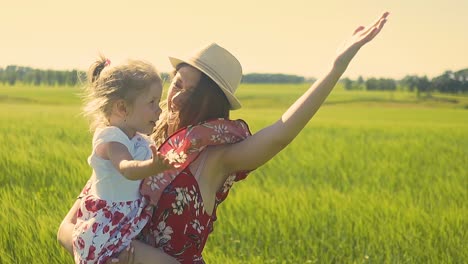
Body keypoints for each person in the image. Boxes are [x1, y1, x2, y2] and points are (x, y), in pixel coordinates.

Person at [58, 12, 389, 264]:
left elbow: (279, 134)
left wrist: (335, 68)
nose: (175, 96)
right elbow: (67, 227)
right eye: (176, 82)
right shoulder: (138, 144)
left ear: (211, 102)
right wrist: (106, 248)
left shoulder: (215, 157)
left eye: (191, 90)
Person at [60, 57, 177, 264]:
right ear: (122, 108)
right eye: (152, 102)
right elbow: (125, 167)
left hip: (122, 225)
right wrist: (152, 166)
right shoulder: (112, 139)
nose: (158, 110)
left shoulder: (137, 138)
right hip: (107, 231)